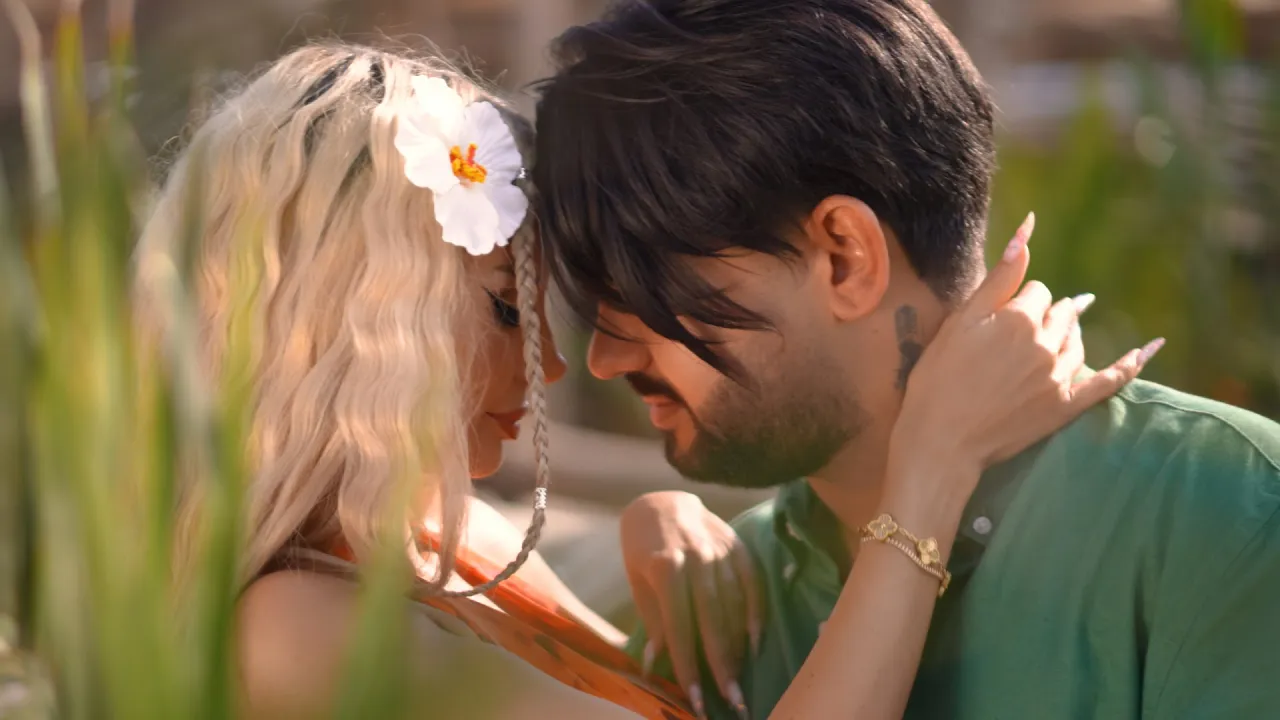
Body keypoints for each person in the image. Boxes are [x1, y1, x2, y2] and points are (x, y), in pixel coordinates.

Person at [133, 41, 1139, 720]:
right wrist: (931, 470)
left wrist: (658, 520)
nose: (551, 368)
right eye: (504, 310)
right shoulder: (291, 632)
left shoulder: (441, 545)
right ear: (353, 328)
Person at [533, 1, 1280, 718]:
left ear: (845, 257)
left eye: (642, 293)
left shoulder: (1225, 515)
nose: (603, 359)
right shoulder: (725, 606)